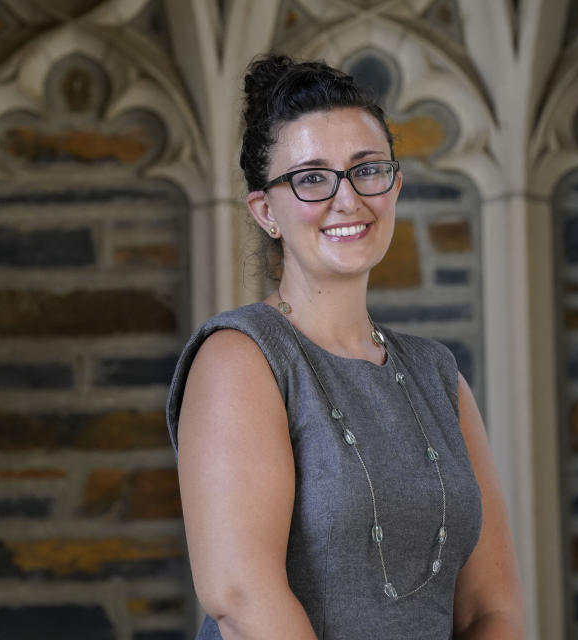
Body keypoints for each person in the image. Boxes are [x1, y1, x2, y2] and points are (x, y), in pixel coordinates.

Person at [165, 55, 523, 639]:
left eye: (367, 169)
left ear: (394, 185)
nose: (347, 198)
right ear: (266, 211)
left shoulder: (437, 375)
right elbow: (241, 596)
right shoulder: (241, 357)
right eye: (311, 177)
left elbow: (492, 608)